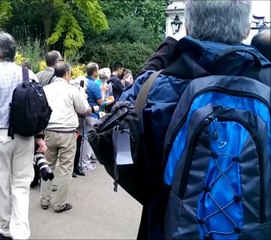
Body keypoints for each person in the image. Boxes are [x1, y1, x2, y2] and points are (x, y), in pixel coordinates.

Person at [118, 1, 270, 239]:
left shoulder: (156, 87)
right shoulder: (266, 87)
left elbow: (118, 137)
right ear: (245, 30)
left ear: (187, 26)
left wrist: (165, 50)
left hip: (166, 226)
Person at [0, 32, 46, 240]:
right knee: (22, 184)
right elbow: (38, 108)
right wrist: (39, 137)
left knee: (1, 183)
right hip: (25, 136)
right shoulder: (29, 75)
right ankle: (21, 233)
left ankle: (5, 229)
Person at [40, 62, 91, 212]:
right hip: (67, 133)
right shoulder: (72, 90)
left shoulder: (45, 89)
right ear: (67, 74)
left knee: (47, 166)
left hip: (49, 131)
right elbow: (84, 109)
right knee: (65, 169)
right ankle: (60, 204)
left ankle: (44, 200)